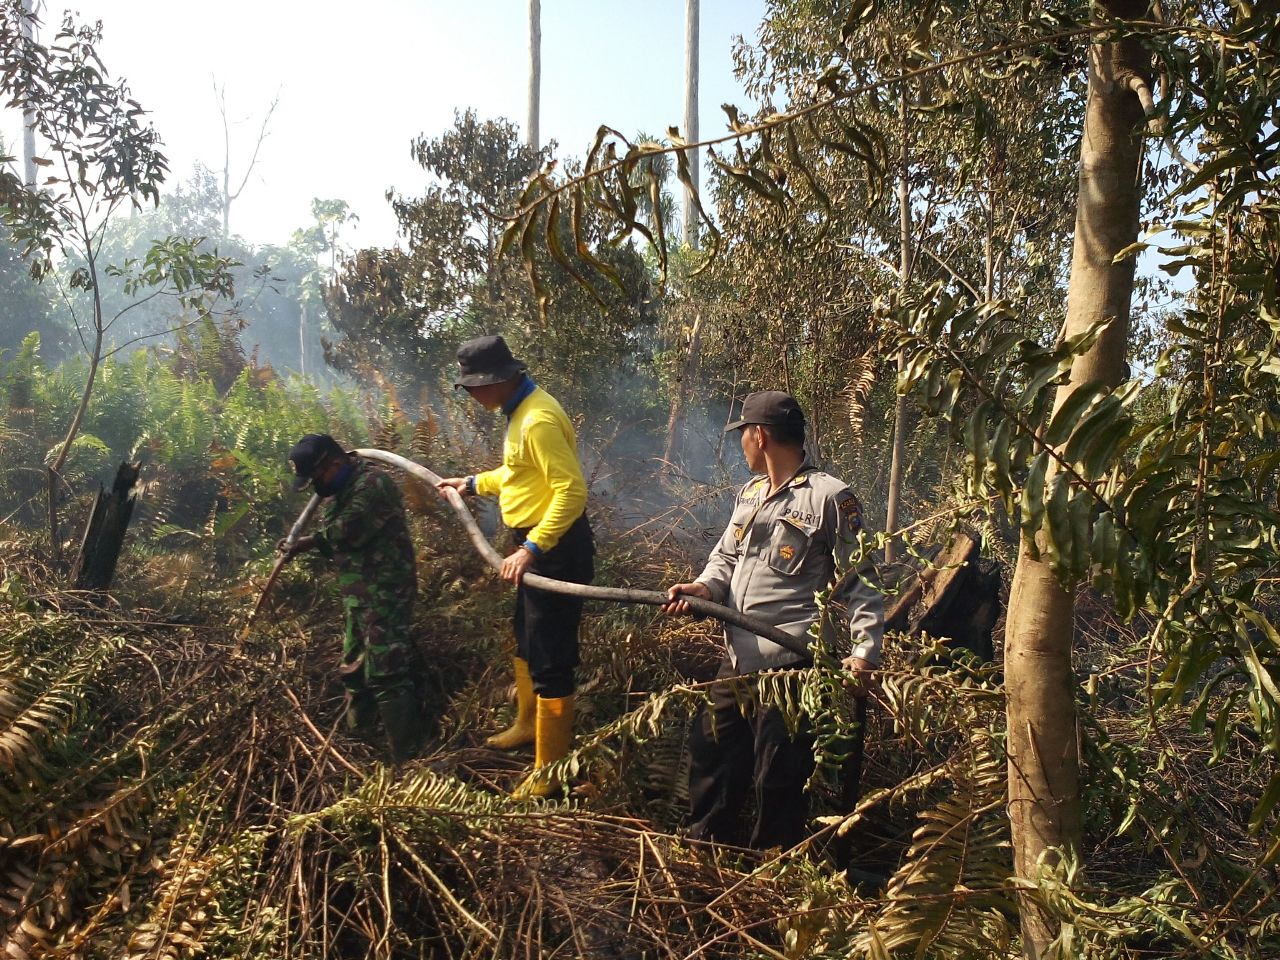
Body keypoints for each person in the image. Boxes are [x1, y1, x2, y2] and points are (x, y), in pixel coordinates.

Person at [662, 390, 883, 851]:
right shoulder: (750, 494)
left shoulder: (831, 497)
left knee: (778, 778)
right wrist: (702, 588)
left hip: (789, 666)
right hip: (736, 659)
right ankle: (705, 853)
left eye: (742, 434)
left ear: (759, 436)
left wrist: (865, 653)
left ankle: (771, 870)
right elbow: (725, 557)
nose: (740, 444)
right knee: (713, 757)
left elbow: (863, 579)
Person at [438, 335, 594, 798]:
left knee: (551, 658)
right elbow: (517, 473)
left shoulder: (539, 418)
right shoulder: (518, 413)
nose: (469, 394)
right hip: (535, 546)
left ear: (497, 381)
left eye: (472, 386)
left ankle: (550, 772)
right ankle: (528, 725)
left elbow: (571, 491)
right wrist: (472, 483)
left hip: (556, 551)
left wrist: (532, 548)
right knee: (526, 639)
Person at [281, 433, 424, 763]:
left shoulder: (372, 484)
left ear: (335, 463)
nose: (317, 487)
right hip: (358, 596)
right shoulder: (340, 489)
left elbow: (348, 531)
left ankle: (408, 760)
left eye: (318, 478)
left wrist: (306, 543)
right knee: (354, 669)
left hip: (386, 593)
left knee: (387, 672)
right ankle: (360, 747)